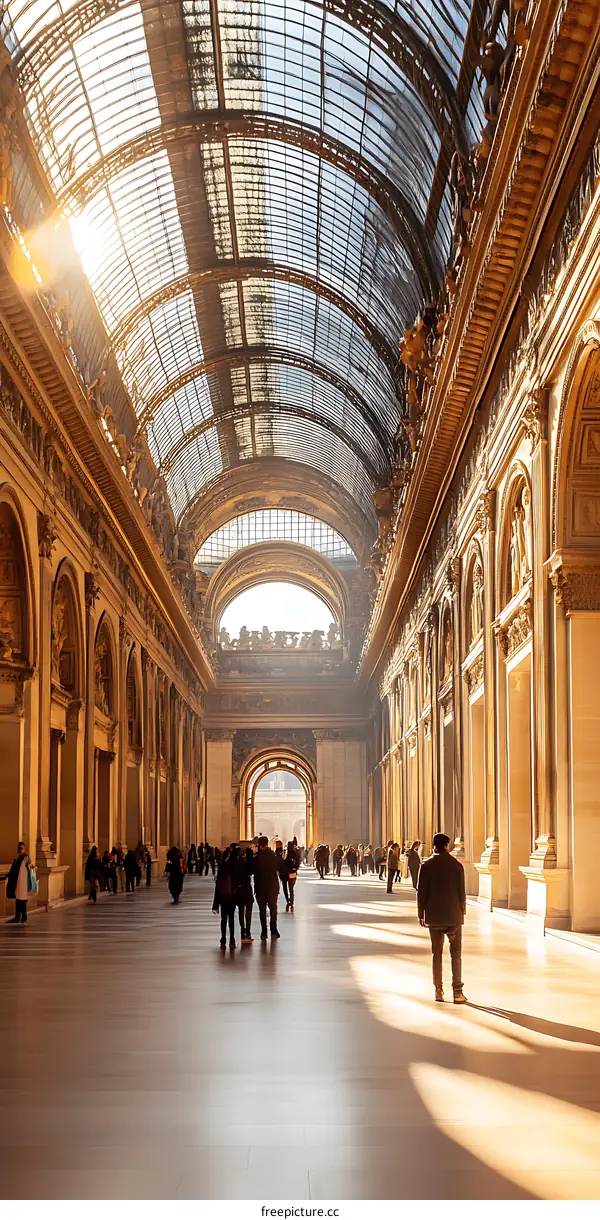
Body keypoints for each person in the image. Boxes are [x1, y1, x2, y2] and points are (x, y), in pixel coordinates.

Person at [417, 832, 467, 1004]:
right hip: (453, 916)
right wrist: (462, 910)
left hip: (434, 916)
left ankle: (438, 991)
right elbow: (462, 892)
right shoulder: (456, 865)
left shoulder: (426, 865)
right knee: (456, 954)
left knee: (436, 954)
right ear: (446, 845)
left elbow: (421, 892)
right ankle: (457, 992)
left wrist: (421, 913)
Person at [253, 835, 280, 941]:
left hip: (260, 887)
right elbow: (279, 867)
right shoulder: (273, 855)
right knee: (273, 909)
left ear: (259, 845)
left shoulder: (257, 857)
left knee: (262, 911)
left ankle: (264, 932)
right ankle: (274, 930)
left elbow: (251, 870)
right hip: (272, 886)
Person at [213, 846, 238, 948]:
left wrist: (215, 903)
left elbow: (218, 888)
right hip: (231, 897)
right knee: (231, 918)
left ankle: (223, 939)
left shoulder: (221, 871)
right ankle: (232, 939)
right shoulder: (233, 870)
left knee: (224, 919)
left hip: (223, 897)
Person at [3, 841, 32, 922]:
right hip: (18, 883)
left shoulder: (25, 858)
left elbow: (29, 864)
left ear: (24, 849)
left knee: (21, 900)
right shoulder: (18, 859)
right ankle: (19, 917)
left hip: (22, 883)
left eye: (22, 848)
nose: (21, 850)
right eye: (19, 849)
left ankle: (21, 917)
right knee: (19, 900)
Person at [236, 847, 255, 943]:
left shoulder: (238, 864)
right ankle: (248, 930)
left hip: (240, 890)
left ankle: (242, 929)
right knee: (248, 912)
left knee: (241, 911)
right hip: (247, 889)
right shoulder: (249, 864)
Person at [284, 841, 298, 909]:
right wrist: (295, 869)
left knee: (290, 887)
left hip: (289, 872)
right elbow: (298, 862)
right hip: (294, 872)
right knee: (291, 887)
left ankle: (290, 900)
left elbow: (285, 863)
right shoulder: (295, 853)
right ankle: (291, 900)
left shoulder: (288, 854)